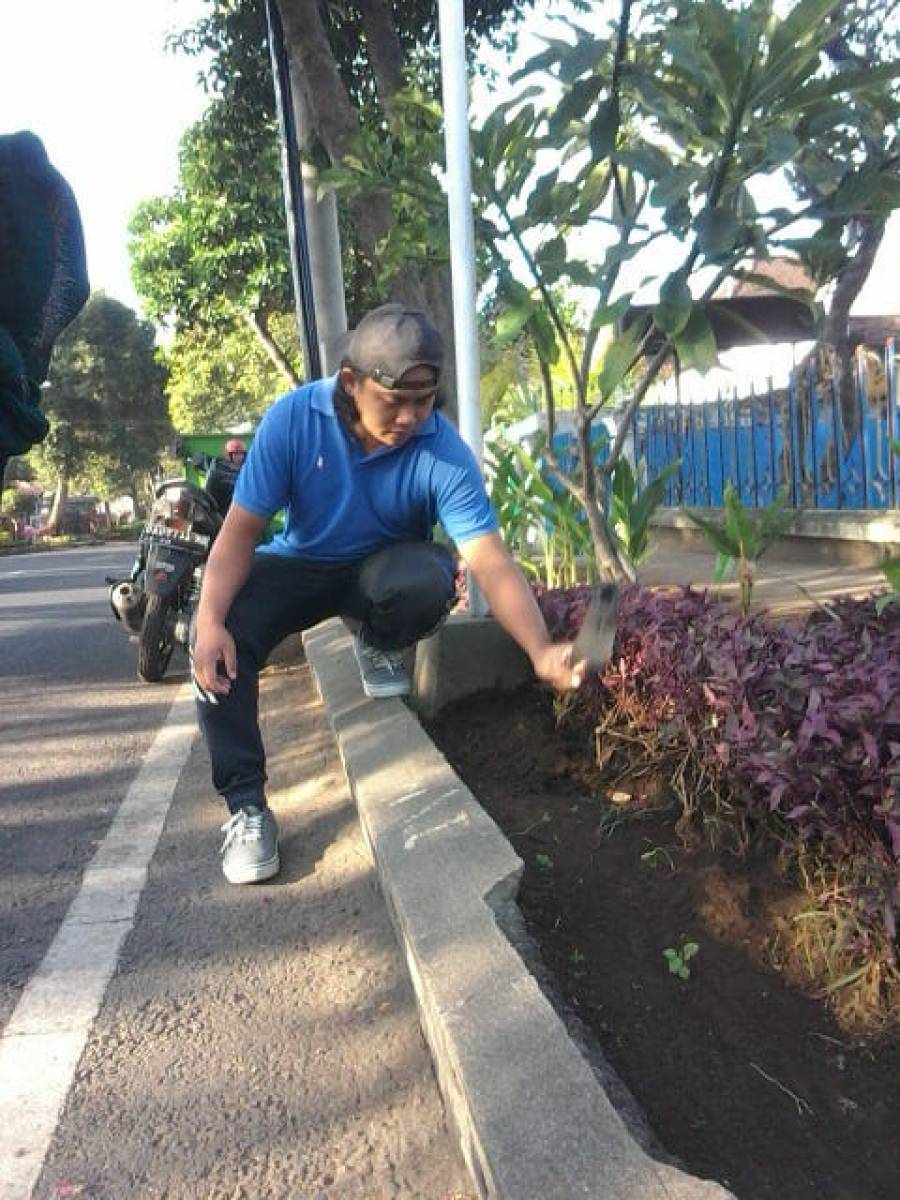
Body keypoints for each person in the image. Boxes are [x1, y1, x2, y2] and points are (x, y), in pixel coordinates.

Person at [192, 303, 585, 885]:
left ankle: (376, 640)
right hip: (301, 565)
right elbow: (240, 534)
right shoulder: (294, 420)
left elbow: (490, 560)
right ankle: (247, 807)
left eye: (423, 402)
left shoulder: (441, 449)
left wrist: (541, 650)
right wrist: (208, 621)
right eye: (394, 401)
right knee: (220, 634)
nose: (408, 418)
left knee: (428, 579)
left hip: (381, 574)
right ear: (351, 383)